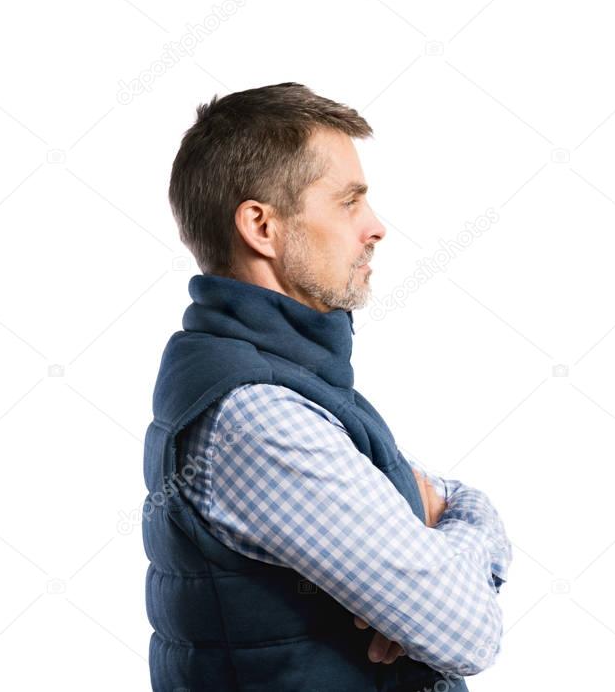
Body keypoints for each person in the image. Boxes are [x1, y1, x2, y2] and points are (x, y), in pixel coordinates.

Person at [143, 82, 512, 691]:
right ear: (262, 226)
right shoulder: (257, 414)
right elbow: (466, 631)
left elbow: (450, 505)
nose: (376, 228)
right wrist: (440, 575)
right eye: (348, 202)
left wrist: (440, 553)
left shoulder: (286, 381)